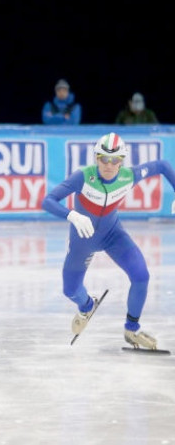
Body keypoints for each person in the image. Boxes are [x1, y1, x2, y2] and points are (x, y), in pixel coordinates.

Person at [42, 132, 175, 350]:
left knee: (141, 276)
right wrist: (72, 215)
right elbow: (47, 201)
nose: (109, 164)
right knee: (69, 290)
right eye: (104, 158)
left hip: (113, 235)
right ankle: (86, 306)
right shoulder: (83, 176)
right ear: (96, 158)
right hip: (83, 239)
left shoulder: (128, 176)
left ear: (122, 161)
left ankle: (132, 329)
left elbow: (162, 165)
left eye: (115, 160)